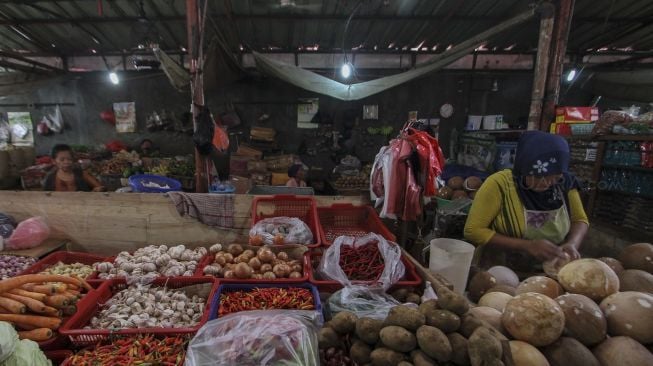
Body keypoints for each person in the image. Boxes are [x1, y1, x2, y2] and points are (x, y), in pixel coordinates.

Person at [464, 131, 589, 272]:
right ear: (523, 169)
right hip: (500, 268)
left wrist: (572, 243)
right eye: (539, 176)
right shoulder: (500, 184)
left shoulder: (566, 183)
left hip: (550, 269)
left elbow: (580, 219)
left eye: (555, 177)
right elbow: (472, 231)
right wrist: (527, 245)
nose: (547, 183)